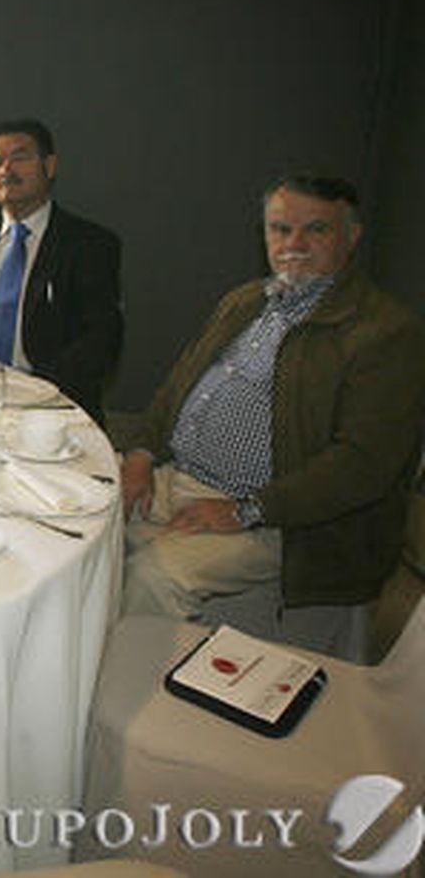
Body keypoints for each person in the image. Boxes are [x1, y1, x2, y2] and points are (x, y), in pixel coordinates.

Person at [118, 175, 425, 648]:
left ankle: (117, 710)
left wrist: (248, 510)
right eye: (280, 229)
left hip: (286, 522)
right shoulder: (245, 301)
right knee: (79, 529)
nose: (293, 244)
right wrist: (139, 455)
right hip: (176, 477)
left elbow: (364, 464)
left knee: (153, 579)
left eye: (315, 230)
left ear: (353, 235)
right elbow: (175, 389)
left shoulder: (385, 332)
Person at [0, 118, 123, 422]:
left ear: (50, 166)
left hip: (46, 404)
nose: (6, 170)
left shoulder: (88, 245)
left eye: (20, 158)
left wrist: (30, 390)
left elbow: (102, 339)